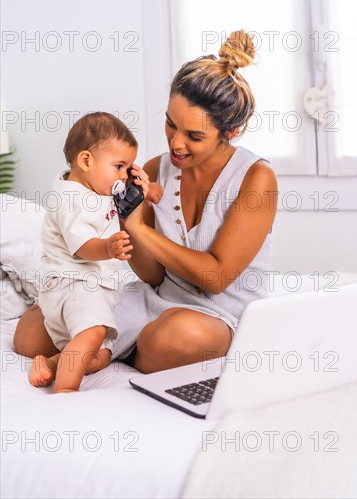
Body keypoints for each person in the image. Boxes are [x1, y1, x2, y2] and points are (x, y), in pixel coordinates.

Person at [14, 29, 278, 378]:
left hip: (217, 313)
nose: (176, 143)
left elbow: (214, 278)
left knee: (173, 338)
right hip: (153, 297)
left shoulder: (256, 179)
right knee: (31, 334)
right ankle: (114, 348)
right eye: (171, 124)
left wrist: (138, 227)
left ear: (229, 132)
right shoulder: (154, 171)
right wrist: (125, 224)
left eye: (194, 136)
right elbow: (152, 274)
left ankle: (112, 348)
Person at [29, 112, 158, 393]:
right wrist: (108, 247)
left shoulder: (96, 189)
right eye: (119, 167)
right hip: (72, 284)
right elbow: (83, 246)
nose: (123, 176)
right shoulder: (72, 198)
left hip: (91, 288)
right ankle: (65, 391)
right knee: (94, 332)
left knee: (99, 356)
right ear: (86, 160)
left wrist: (150, 192)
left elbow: (121, 201)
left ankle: (51, 364)